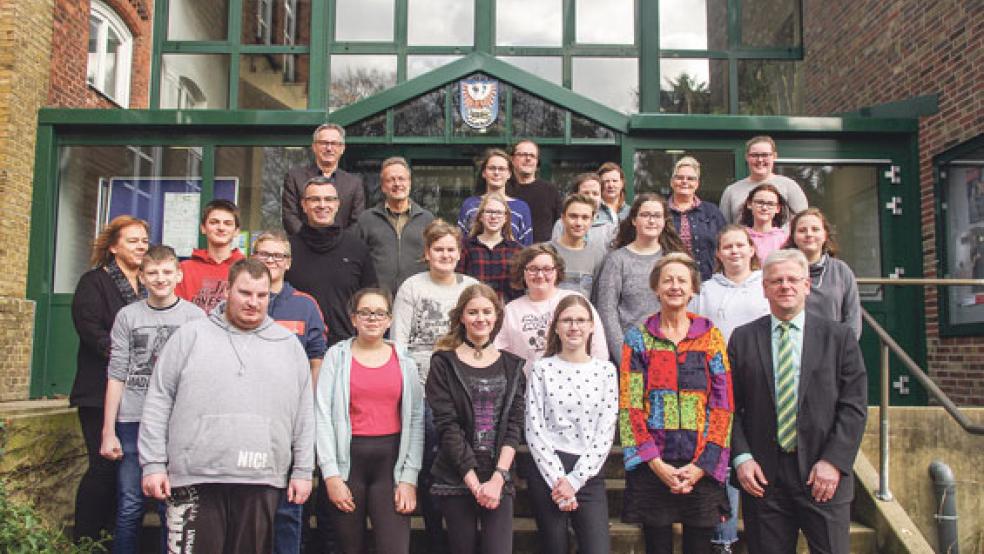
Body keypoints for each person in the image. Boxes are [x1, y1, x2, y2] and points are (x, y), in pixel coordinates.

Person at [140, 259, 315, 553]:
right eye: (245, 293)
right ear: (227, 291)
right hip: (195, 476)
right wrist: (153, 464)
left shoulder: (288, 345)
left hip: (262, 475)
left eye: (262, 296)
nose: (253, 302)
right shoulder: (189, 337)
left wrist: (302, 470)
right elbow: (158, 401)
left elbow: (304, 414)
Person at [729, 249, 867, 554]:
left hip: (823, 474)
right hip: (763, 477)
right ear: (764, 288)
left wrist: (834, 461)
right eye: (776, 280)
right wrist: (741, 458)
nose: (785, 286)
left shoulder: (839, 337)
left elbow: (854, 407)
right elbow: (728, 407)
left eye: (793, 279)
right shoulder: (743, 338)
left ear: (807, 286)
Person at [619, 253, 733, 554]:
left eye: (682, 280)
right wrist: (655, 463)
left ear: (693, 289)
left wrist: (702, 465)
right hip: (654, 464)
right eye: (667, 280)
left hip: (700, 463)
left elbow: (723, 406)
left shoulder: (710, 337)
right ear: (655, 287)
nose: (675, 286)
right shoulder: (638, 338)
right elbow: (630, 406)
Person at [99, 245, 205, 554]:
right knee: (130, 503)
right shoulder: (127, 316)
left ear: (178, 275)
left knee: (170, 506)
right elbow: (116, 373)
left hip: (176, 423)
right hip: (133, 419)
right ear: (142, 277)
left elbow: (200, 375)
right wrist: (108, 431)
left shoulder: (194, 317)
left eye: (167, 272)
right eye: (153, 273)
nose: (160, 279)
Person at [315, 288, 424, 554]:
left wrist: (409, 478)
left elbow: (416, 418)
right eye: (365, 312)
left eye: (379, 313)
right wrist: (331, 476)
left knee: (394, 548)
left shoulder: (404, 359)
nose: (372, 318)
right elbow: (322, 415)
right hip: (348, 465)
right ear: (353, 319)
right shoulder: (336, 357)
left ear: (389, 320)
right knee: (348, 548)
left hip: (391, 465)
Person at [391, 219, 477, 552]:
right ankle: (434, 537)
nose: (444, 255)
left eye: (450, 249)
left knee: (460, 459)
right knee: (428, 462)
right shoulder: (412, 287)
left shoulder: (469, 286)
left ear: (460, 253)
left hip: (461, 388)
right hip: (421, 386)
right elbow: (398, 342)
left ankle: (461, 535)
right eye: (438, 249)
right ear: (427, 253)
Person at [426, 284, 526, 554]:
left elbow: (514, 426)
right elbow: (447, 426)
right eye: (473, 312)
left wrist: (497, 479)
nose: (480, 318)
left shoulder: (513, 365)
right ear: (461, 317)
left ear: (496, 316)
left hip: (498, 475)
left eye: (486, 311)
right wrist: (473, 482)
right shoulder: (443, 363)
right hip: (457, 475)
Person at [70, 215, 149, 544]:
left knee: (128, 473)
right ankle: (86, 540)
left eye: (144, 240)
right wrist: (131, 358)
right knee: (103, 467)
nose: (141, 246)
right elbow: (92, 331)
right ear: (114, 246)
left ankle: (112, 537)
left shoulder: (147, 286)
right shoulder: (94, 282)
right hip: (98, 392)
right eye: (133, 241)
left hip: (137, 396)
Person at [693, 226, 770, 554]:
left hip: (760, 381)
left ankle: (764, 533)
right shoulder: (707, 291)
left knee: (755, 453)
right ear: (719, 254)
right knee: (722, 459)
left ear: (752, 250)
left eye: (740, 245)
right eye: (727, 246)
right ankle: (723, 538)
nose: (735, 251)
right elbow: (696, 332)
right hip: (716, 383)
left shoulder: (766, 286)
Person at [251, 231, 328, 554]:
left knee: (288, 508)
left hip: (289, 421)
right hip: (248, 418)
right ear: (252, 257)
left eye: (279, 256)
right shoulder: (240, 300)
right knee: (248, 507)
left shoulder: (304, 304)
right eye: (265, 255)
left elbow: (316, 359)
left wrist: (306, 408)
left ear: (289, 262)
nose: (272, 262)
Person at [525, 294, 618, 554]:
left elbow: (606, 429)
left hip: (587, 472)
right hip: (548, 471)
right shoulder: (542, 369)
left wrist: (575, 481)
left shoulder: (606, 371)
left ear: (591, 326)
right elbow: (534, 427)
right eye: (567, 320)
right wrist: (558, 480)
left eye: (580, 320)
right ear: (556, 326)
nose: (574, 326)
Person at [285, 176, 377, 347]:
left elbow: (371, 301)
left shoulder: (357, 249)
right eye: (315, 199)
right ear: (304, 205)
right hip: (296, 346)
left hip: (346, 348)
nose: (322, 205)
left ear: (337, 204)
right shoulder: (287, 250)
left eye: (329, 199)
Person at [595, 194, 686, 361]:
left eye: (657, 216)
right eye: (645, 215)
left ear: (664, 221)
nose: (651, 221)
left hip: (671, 353)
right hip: (633, 353)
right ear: (634, 220)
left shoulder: (674, 260)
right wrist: (625, 357)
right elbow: (607, 312)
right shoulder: (617, 260)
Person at [494, 244, 607, 373]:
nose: (540, 275)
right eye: (533, 269)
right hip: (527, 388)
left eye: (547, 269)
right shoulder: (511, 310)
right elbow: (500, 354)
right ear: (522, 272)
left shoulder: (575, 301)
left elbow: (598, 348)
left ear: (557, 271)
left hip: (575, 383)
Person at [356, 156, 435, 295]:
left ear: (409, 182)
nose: (397, 184)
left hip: (417, 296)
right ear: (382, 186)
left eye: (401, 179)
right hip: (378, 299)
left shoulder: (428, 220)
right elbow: (357, 260)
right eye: (391, 179)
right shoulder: (366, 220)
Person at [782, 207, 862, 339]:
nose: (809, 234)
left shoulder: (841, 270)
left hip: (833, 348)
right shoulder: (782, 270)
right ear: (793, 237)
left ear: (825, 235)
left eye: (815, 229)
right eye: (802, 230)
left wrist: (845, 349)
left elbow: (853, 317)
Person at [283, 123, 365, 234]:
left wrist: (339, 244)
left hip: (341, 249)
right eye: (324, 143)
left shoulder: (354, 183)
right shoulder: (295, 177)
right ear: (314, 147)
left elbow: (357, 222)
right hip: (303, 246)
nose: (329, 148)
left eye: (334, 143)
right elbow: (289, 216)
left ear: (342, 149)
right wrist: (309, 240)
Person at [174, 199, 246, 312]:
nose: (221, 228)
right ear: (203, 228)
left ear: (236, 231)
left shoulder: (247, 268)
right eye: (214, 222)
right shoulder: (184, 269)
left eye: (227, 223)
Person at [719, 136, 808, 223]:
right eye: (754, 155)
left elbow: (804, 221)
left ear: (774, 156)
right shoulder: (731, 191)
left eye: (765, 155)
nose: (760, 160)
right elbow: (724, 228)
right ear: (746, 157)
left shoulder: (789, 186)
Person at [666, 156, 726, 281]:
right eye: (679, 177)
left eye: (690, 178)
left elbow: (725, 242)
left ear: (697, 184)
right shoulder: (661, 211)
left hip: (707, 279)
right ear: (672, 182)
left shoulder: (711, 211)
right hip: (670, 279)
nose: (685, 181)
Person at [457, 192, 525, 302]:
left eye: (498, 213)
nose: (493, 216)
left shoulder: (517, 250)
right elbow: (458, 282)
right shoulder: (465, 247)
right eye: (489, 212)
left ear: (506, 218)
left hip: (508, 311)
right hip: (475, 311)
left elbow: (522, 286)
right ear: (480, 216)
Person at [457, 148, 533, 245]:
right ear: (484, 173)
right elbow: (460, 244)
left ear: (509, 174)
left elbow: (527, 248)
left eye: (501, 169)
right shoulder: (470, 205)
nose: (496, 173)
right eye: (492, 168)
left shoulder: (521, 208)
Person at [550, 193, 608, 299]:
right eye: (573, 216)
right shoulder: (546, 251)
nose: (578, 223)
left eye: (585, 217)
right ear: (563, 218)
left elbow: (598, 297)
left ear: (592, 220)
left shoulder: (598, 254)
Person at [506, 139, 563, 243]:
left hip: (542, 254)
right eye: (523, 154)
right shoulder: (503, 189)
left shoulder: (550, 190)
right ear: (512, 159)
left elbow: (560, 225)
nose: (528, 158)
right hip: (508, 254)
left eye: (532, 156)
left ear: (537, 162)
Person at [551, 173, 617, 247]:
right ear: (575, 195)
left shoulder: (610, 224)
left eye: (595, 193)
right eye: (586, 193)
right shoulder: (562, 224)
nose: (591, 197)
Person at [739, 183, 790, 262]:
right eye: (760, 202)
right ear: (749, 204)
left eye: (770, 204)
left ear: (777, 209)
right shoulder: (740, 236)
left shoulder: (785, 240)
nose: (764, 208)